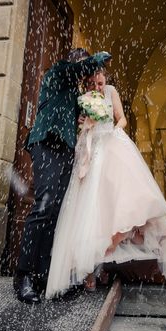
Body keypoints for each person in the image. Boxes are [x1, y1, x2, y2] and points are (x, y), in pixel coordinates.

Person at [46, 70, 166, 299]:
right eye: (93, 84)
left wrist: (115, 130)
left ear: (106, 81)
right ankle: (90, 268)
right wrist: (85, 123)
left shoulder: (112, 92)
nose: (97, 87)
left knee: (122, 202)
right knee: (92, 209)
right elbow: (80, 122)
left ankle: (105, 261)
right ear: (87, 83)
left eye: (100, 83)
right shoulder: (83, 97)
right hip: (92, 149)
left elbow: (122, 117)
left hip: (112, 144)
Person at [14, 49, 111, 304]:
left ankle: (43, 276)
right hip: (46, 143)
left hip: (65, 150)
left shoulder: (76, 93)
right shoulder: (57, 72)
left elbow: (75, 115)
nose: (85, 73)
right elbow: (75, 71)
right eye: (83, 67)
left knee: (56, 210)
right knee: (44, 205)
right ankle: (22, 275)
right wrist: (98, 59)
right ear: (75, 62)